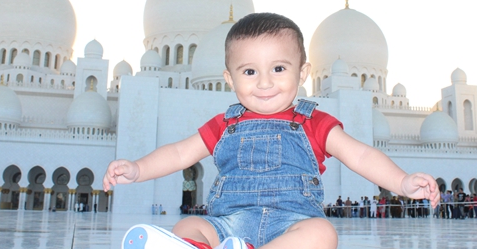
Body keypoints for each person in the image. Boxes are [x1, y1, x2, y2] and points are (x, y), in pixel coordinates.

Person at [103, 13, 439, 249]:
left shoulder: (312, 122)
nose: (264, 82)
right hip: (228, 224)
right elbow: (178, 153)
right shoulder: (225, 124)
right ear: (229, 79)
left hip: (291, 224)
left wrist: (402, 182)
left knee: (322, 234)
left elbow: (362, 155)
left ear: (303, 72)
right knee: (189, 226)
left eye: (278, 68)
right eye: (249, 71)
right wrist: (137, 169)